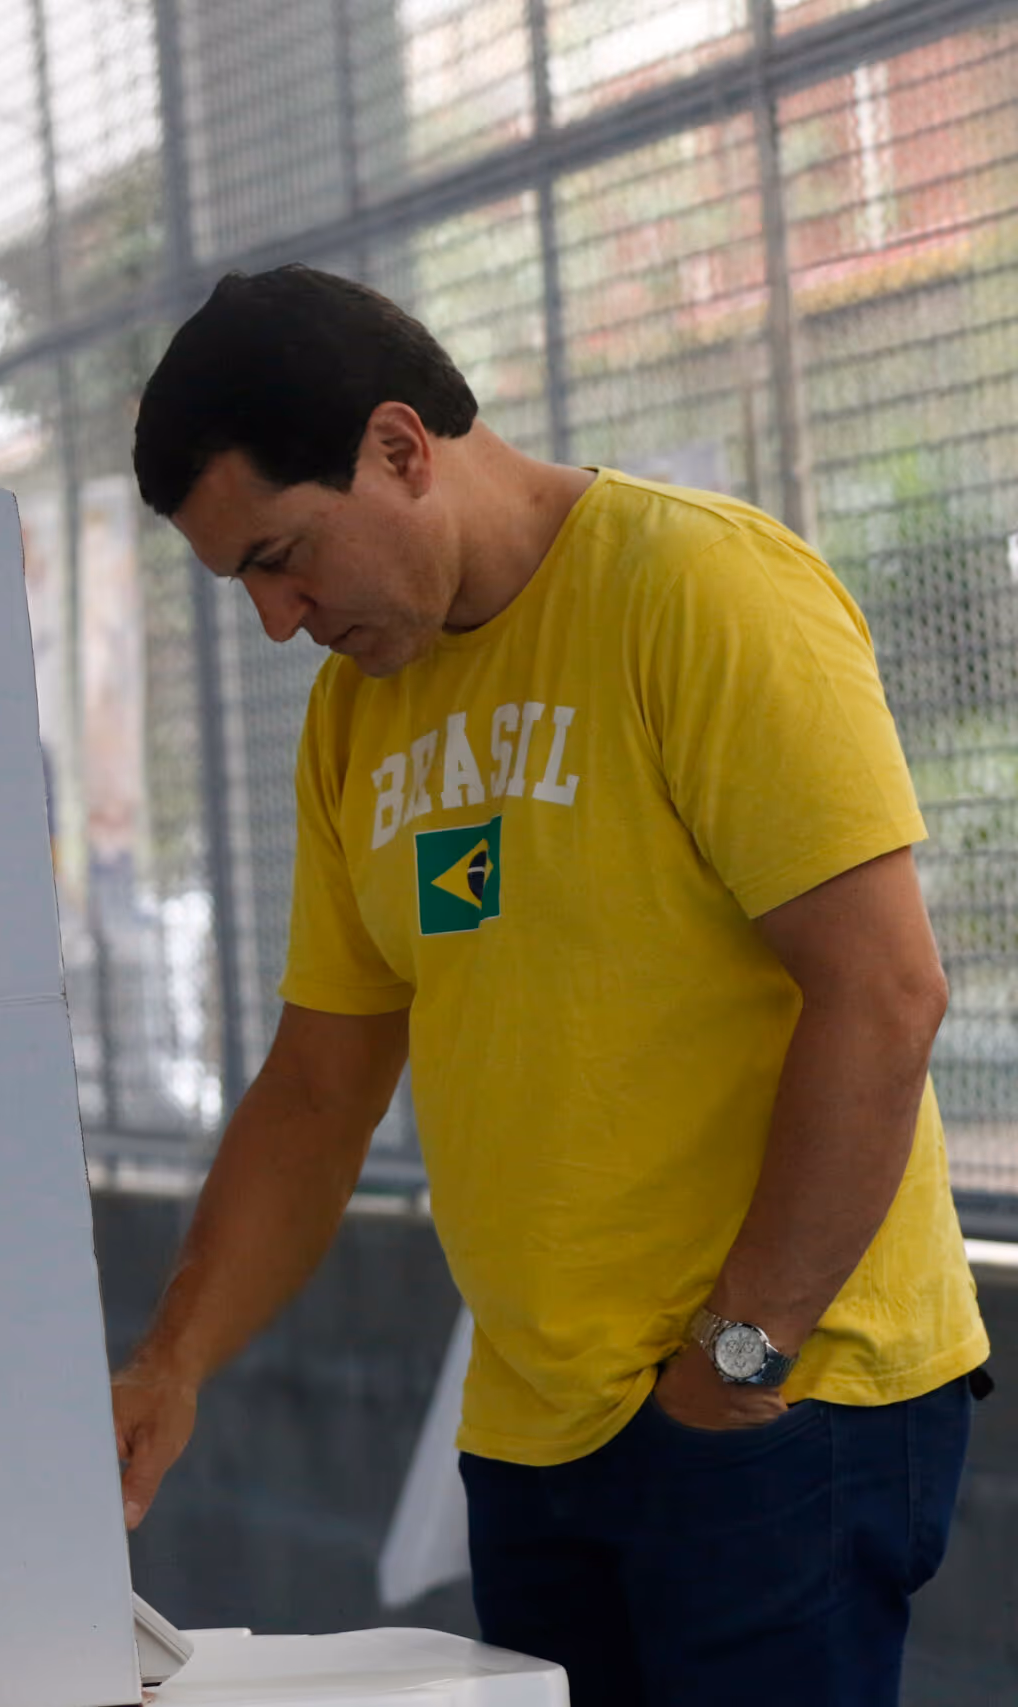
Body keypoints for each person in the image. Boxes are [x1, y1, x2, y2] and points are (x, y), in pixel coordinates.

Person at [110, 265, 988, 1706]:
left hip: (779, 1399)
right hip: (537, 1430)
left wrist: (737, 1358)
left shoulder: (694, 588)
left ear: (400, 446)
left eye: (284, 556)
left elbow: (886, 994)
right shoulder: (354, 717)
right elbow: (321, 1085)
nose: (278, 618)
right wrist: (172, 1360)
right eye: (246, 583)